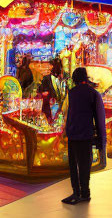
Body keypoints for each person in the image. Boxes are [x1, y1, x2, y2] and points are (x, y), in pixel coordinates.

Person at [62, 67, 106, 204]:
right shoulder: (93, 94)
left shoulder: (72, 93)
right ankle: (85, 193)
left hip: (73, 134)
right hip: (86, 134)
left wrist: (66, 131)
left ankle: (76, 192)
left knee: (73, 165)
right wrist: (101, 139)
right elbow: (99, 118)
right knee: (84, 165)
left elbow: (67, 113)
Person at [37, 58, 65, 124]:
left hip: (59, 111)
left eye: (59, 66)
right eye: (55, 65)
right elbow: (41, 92)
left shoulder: (63, 80)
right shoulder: (46, 78)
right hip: (48, 111)